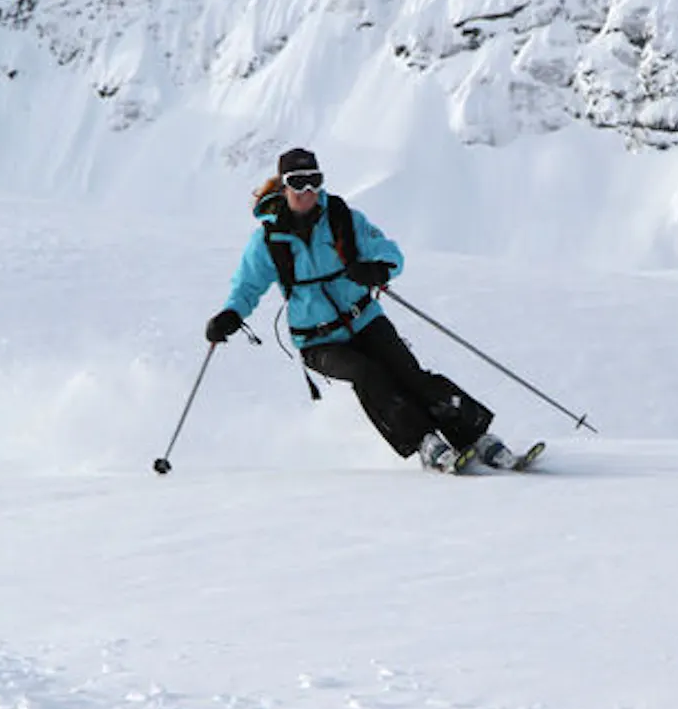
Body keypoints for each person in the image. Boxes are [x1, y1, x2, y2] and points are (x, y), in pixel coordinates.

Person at [205, 147, 523, 472]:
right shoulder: (268, 240)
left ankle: (477, 438)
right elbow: (247, 287)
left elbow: (390, 253)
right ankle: (424, 443)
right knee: (367, 373)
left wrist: (377, 270)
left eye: (314, 181)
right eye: (297, 182)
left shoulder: (343, 219)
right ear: (284, 186)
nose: (307, 191)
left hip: (365, 318)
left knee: (410, 374)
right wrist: (230, 316)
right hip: (317, 340)